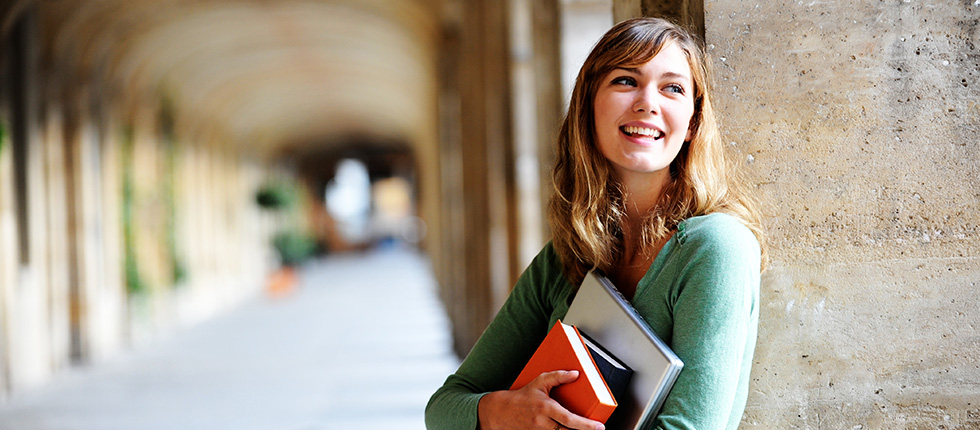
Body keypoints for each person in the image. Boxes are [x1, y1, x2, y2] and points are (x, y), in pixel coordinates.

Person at [426, 16, 766, 430]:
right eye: (626, 80)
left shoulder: (715, 248)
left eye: (673, 88)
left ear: (693, 122)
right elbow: (444, 408)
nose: (648, 103)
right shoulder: (566, 256)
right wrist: (504, 411)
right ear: (588, 104)